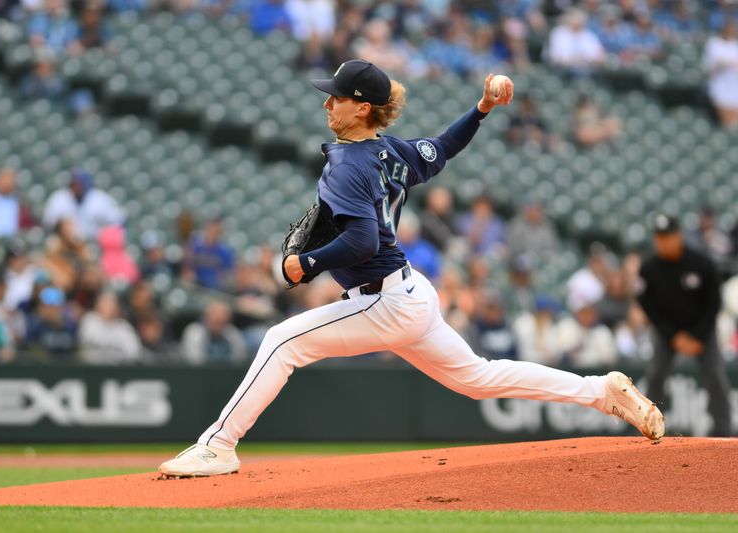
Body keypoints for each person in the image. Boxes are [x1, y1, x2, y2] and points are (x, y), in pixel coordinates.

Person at [158, 59, 664, 478]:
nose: (326, 103)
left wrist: (305, 264)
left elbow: (360, 239)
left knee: (282, 342)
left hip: (385, 298)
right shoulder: (388, 151)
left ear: (362, 106)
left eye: (335, 96)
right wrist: (482, 109)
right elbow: (441, 149)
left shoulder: (349, 163)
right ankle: (600, 391)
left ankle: (219, 445)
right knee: (479, 377)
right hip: (408, 295)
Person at [636, 214, 732, 437]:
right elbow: (649, 308)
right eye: (659, 237)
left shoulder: (701, 263)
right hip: (667, 333)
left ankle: (724, 430)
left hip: (703, 332)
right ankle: (650, 429)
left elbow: (713, 304)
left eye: (667, 236)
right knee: (655, 375)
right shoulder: (649, 268)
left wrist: (696, 336)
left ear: (678, 236)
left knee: (715, 375)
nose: (663, 241)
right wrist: (673, 337)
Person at [42, 168, 125, 241]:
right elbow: (48, 223)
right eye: (74, 184)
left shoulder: (98, 198)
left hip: (95, 243)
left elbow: (118, 220)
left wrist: (104, 235)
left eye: (79, 184)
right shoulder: (59, 198)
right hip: (65, 243)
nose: (77, 187)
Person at [180, 301, 249, 366]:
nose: (218, 327)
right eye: (214, 322)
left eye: (222, 322)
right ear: (206, 318)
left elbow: (239, 359)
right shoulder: (194, 332)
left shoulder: (233, 334)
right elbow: (194, 361)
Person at [703, 21, 738, 129]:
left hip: (734, 88)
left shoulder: (735, 45)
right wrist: (725, 63)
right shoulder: (714, 43)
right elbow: (709, 67)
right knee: (728, 123)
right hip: (720, 88)